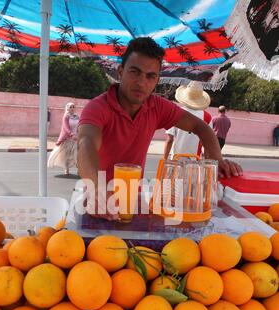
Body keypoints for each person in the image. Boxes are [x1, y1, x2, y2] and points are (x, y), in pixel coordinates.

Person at [78, 37, 242, 220]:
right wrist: (96, 190)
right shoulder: (98, 107)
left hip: (133, 202)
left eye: (150, 76)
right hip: (97, 204)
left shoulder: (156, 106)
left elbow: (201, 127)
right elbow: (86, 143)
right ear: (120, 71)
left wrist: (217, 160)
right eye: (135, 72)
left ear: (156, 80)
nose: (141, 82)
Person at [164, 82, 212, 159]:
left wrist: (165, 158)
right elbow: (207, 143)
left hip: (176, 160)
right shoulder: (207, 117)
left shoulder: (175, 113)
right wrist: (206, 161)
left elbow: (170, 140)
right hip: (195, 160)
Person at [48, 102, 79, 176]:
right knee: (67, 155)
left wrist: (79, 134)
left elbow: (79, 125)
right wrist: (71, 135)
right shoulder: (66, 116)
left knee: (77, 154)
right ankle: (66, 169)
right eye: (70, 107)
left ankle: (79, 169)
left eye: (73, 107)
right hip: (67, 138)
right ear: (67, 108)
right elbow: (65, 127)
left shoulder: (77, 116)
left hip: (76, 138)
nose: (72, 108)